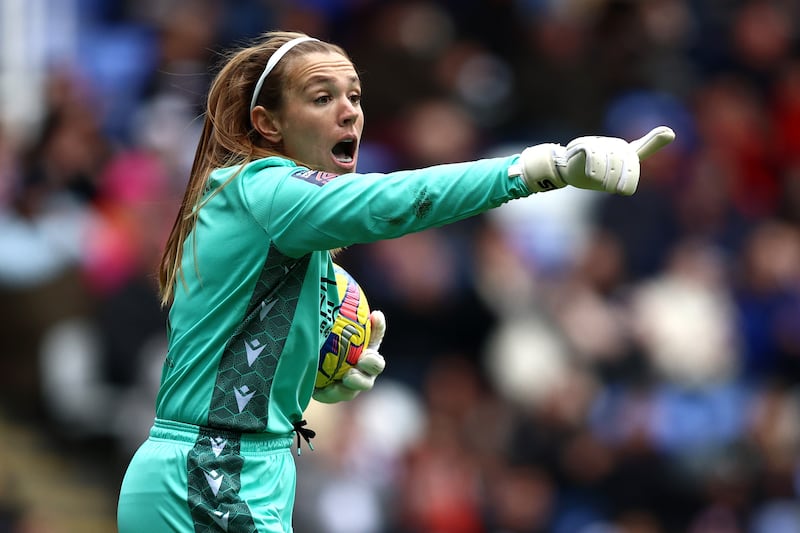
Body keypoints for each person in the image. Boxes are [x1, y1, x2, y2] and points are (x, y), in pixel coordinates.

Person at [116, 30, 675, 532]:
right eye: (321, 97)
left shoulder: (284, 231)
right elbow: (395, 201)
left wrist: (313, 377)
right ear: (268, 123)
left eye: (354, 96)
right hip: (212, 473)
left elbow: (234, 358)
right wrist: (536, 168)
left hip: (232, 468)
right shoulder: (264, 189)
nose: (349, 113)